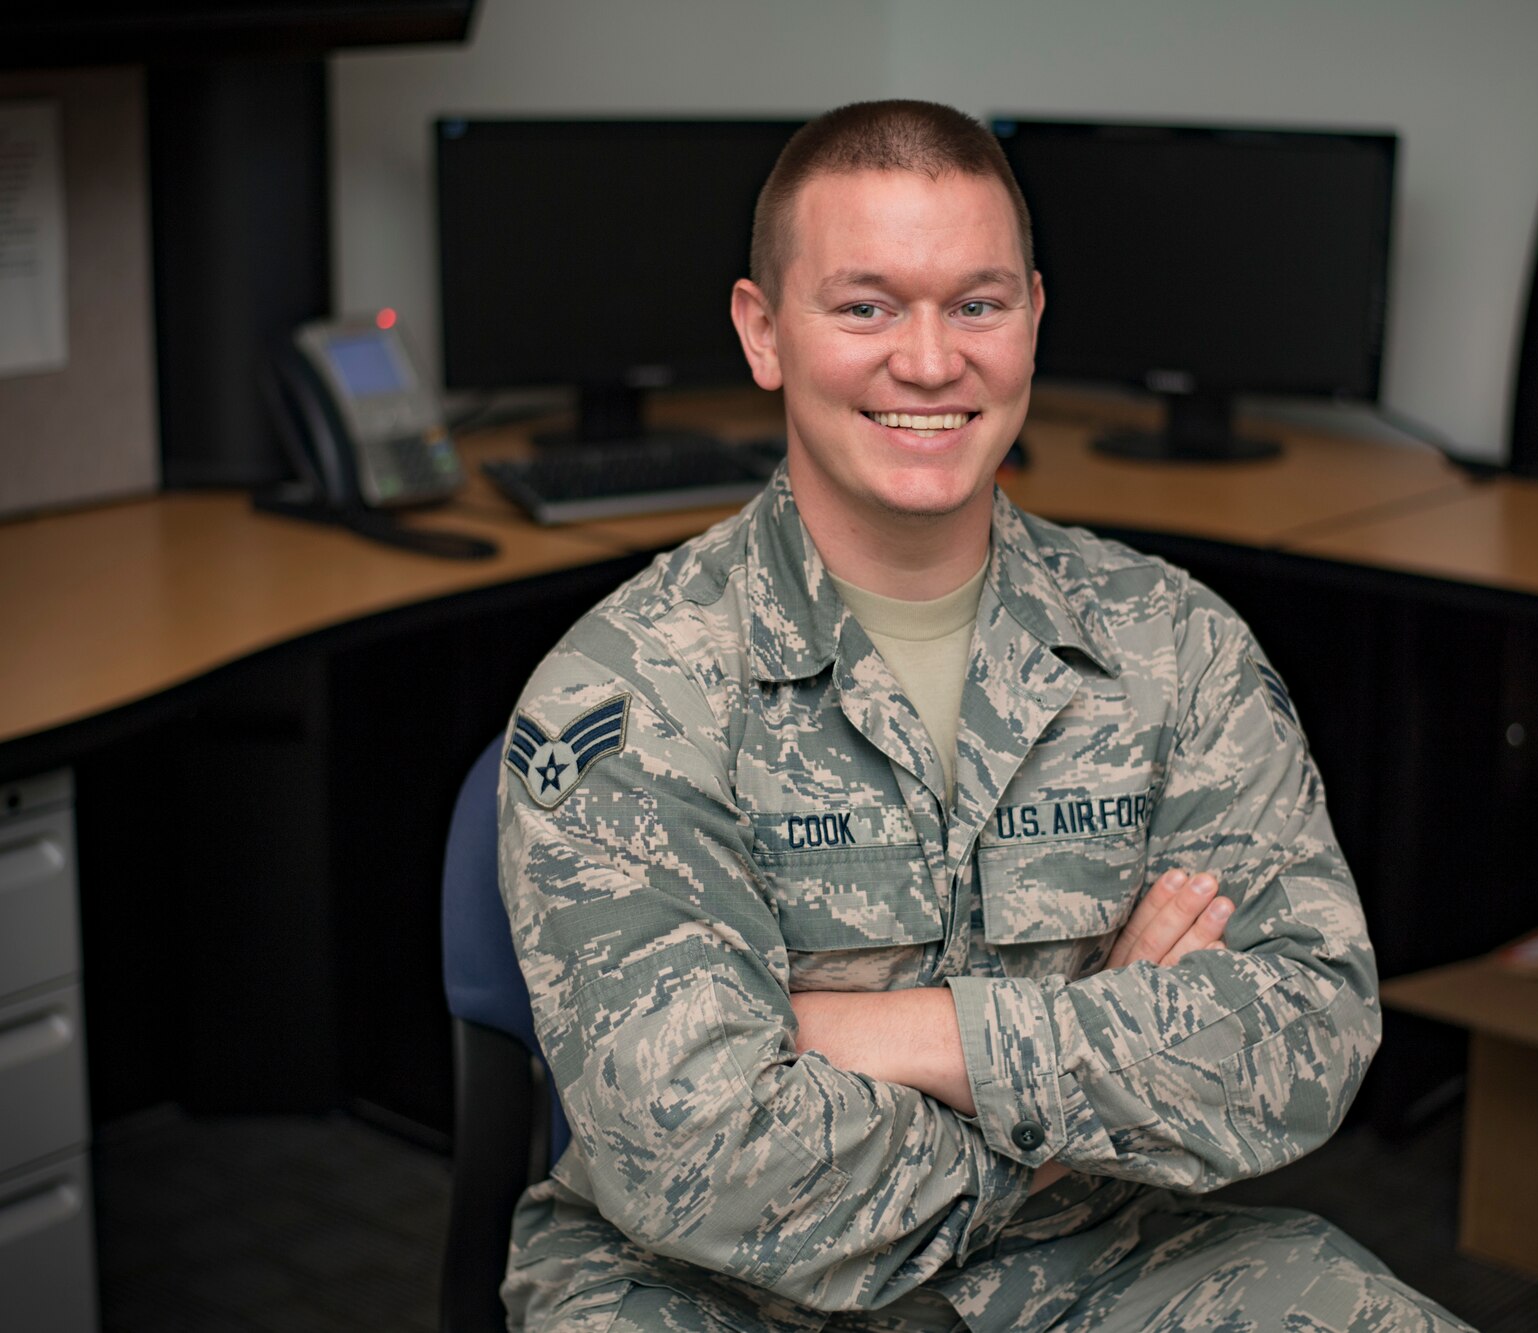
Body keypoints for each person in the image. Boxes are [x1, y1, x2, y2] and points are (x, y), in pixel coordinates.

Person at [497, 99, 1473, 1333]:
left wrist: (893, 1035)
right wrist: (1093, 1069)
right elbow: (701, 1158)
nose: (927, 359)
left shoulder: (1171, 645)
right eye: (864, 306)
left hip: (1095, 1264)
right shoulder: (630, 692)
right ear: (763, 333)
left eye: (976, 302)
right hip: (707, 1291)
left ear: (1032, 319)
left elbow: (1306, 1032)